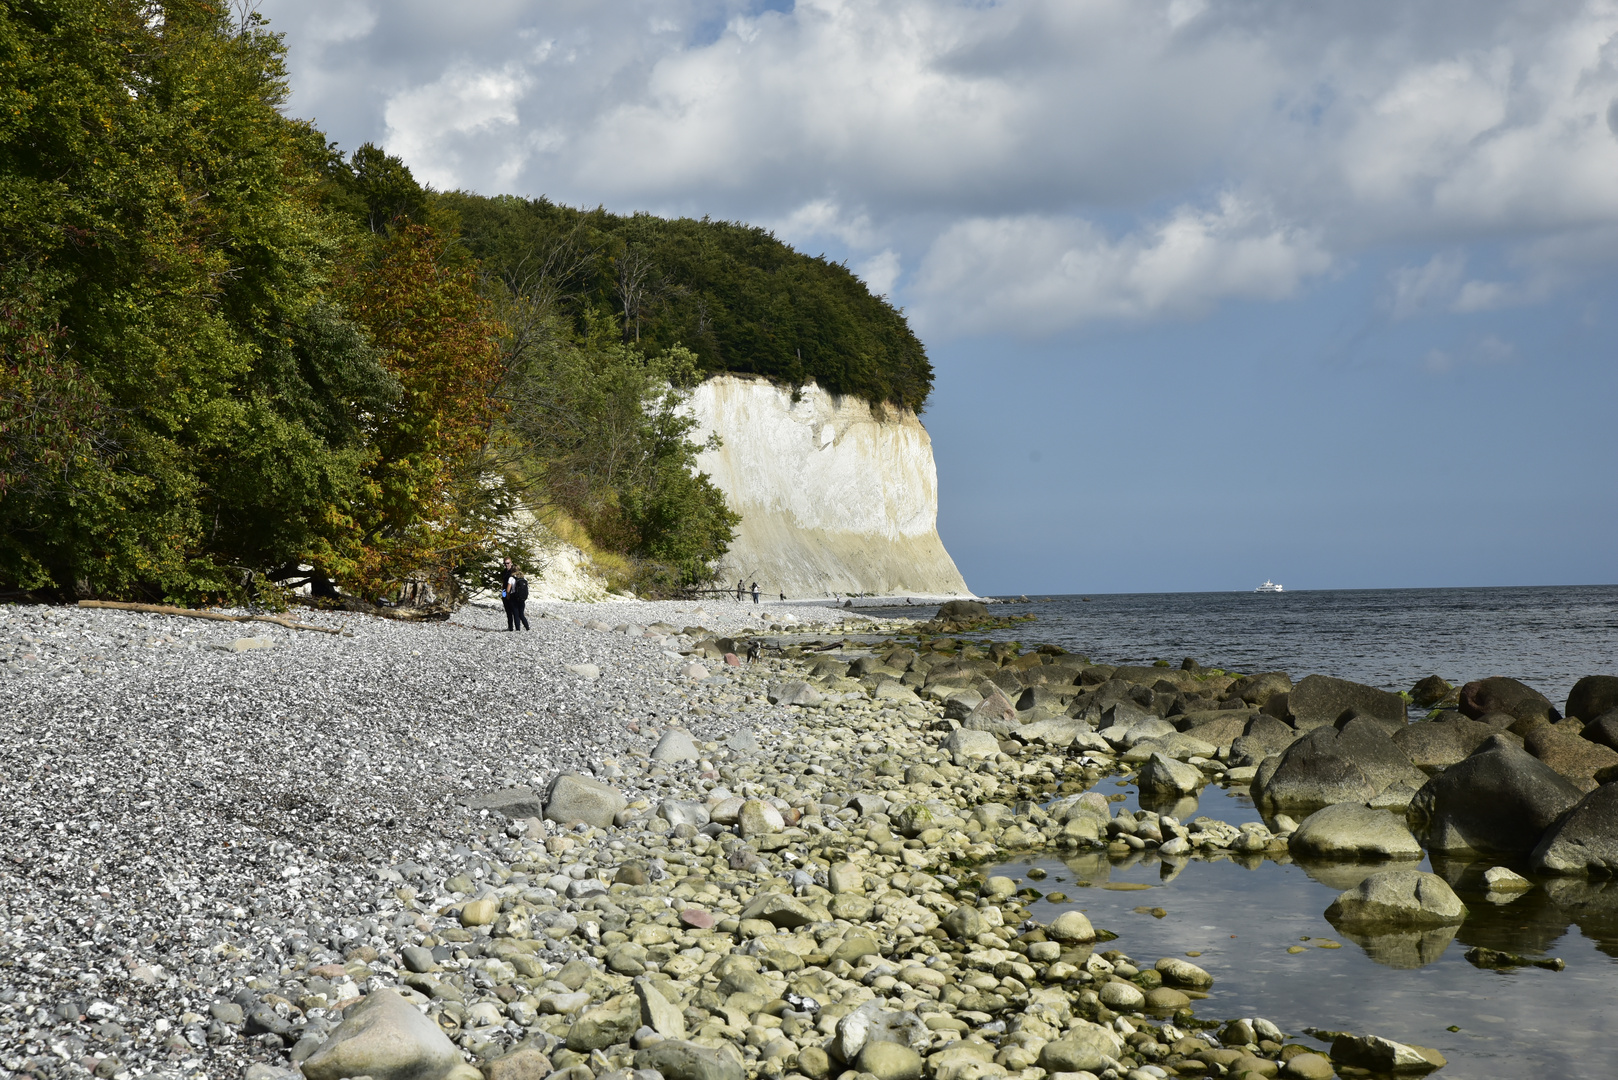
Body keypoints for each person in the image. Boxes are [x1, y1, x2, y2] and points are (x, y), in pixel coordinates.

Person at [497, 556, 516, 629]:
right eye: (505, 563)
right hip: (505, 591)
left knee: (514, 610)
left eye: (508, 563)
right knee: (507, 610)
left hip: (512, 592)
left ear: (511, 563)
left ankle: (517, 627)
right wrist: (503, 594)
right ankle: (510, 626)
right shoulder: (504, 572)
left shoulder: (513, 572)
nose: (506, 565)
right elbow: (503, 583)